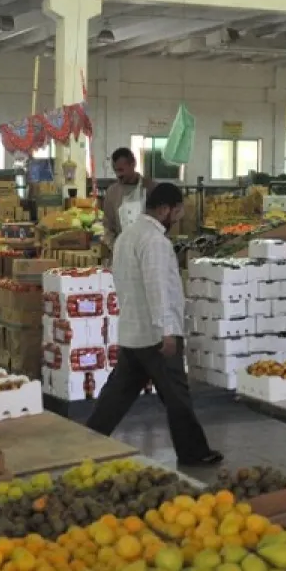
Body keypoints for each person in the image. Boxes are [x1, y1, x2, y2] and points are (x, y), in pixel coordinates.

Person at [86, 182, 223, 467]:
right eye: (177, 211)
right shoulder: (155, 242)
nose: (179, 217)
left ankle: (87, 442)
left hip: (133, 331)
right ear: (163, 209)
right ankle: (194, 453)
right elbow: (158, 287)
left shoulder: (127, 237)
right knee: (176, 396)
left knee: (116, 396)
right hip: (156, 337)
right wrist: (167, 331)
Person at [99, 147, 155, 243]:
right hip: (122, 248)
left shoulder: (151, 188)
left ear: (133, 164)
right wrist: (114, 246)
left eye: (121, 170)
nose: (118, 175)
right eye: (115, 171)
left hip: (148, 247)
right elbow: (108, 225)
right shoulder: (112, 192)